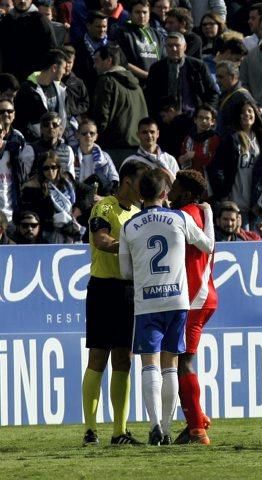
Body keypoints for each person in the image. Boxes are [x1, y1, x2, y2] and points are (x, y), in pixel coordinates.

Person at [119, 169, 214, 446]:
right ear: (164, 193)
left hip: (146, 301)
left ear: (141, 193)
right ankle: (169, 427)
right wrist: (207, 217)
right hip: (177, 300)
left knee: (149, 364)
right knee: (171, 366)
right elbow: (207, 245)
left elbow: (126, 271)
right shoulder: (180, 217)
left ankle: (154, 425)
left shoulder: (130, 226)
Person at [81, 160, 149, 446]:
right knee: (98, 356)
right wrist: (133, 244)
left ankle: (120, 432)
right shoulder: (104, 207)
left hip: (129, 291)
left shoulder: (139, 212)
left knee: (124, 360)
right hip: (104, 288)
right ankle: (90, 430)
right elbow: (101, 241)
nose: (145, 190)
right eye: (141, 183)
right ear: (127, 181)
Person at [166, 170, 216, 445]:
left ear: (185, 193)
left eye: (173, 187)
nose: (169, 192)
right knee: (180, 359)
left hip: (194, 297)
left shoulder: (186, 214)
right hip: (202, 294)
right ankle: (194, 420)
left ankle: (197, 428)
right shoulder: (199, 213)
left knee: (183, 360)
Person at [208, 101, 262, 229]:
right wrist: (223, 194)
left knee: (255, 243)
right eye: (242, 112)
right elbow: (217, 167)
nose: (246, 114)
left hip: (256, 206)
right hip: (235, 204)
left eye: (250, 111)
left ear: (256, 115)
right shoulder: (231, 139)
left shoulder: (261, 139)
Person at [91, 44, 149, 156]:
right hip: (138, 147)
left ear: (108, 60)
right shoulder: (137, 86)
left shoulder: (106, 81)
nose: (94, 65)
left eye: (97, 61)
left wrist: (97, 139)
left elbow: (101, 115)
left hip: (114, 148)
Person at [146, 32, 219, 117]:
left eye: (177, 45)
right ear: (165, 47)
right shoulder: (157, 68)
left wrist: (206, 113)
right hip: (164, 118)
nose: (174, 49)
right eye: (170, 46)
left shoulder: (198, 66)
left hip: (192, 117)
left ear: (185, 47)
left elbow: (213, 92)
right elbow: (149, 95)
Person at [75, 119, 119, 195]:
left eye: (91, 133)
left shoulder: (104, 156)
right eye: (84, 133)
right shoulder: (72, 155)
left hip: (101, 196)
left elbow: (114, 179)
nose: (88, 136)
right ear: (77, 135)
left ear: (96, 137)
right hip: (79, 196)